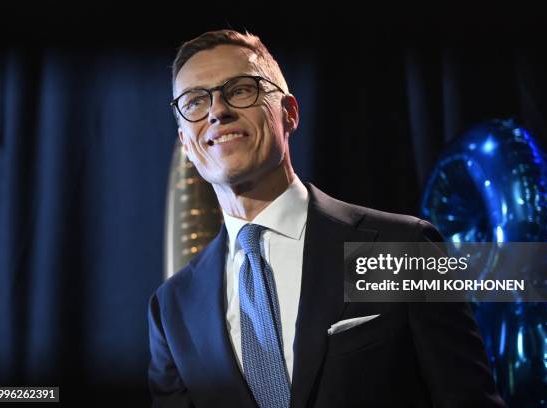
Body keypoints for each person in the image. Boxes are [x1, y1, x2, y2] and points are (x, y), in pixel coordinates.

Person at [148, 29, 506, 408]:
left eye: (239, 90)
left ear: (289, 114)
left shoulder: (400, 248)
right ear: (186, 142)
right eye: (195, 101)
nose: (217, 111)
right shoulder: (172, 308)